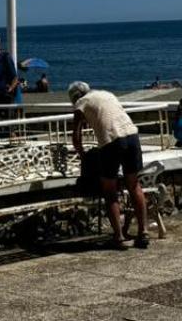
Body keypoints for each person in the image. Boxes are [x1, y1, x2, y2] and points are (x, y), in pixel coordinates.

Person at [69, 81, 150, 249]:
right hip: (132, 136)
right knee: (134, 186)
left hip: (112, 141)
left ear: (75, 97)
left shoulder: (80, 103)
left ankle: (119, 238)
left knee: (109, 191)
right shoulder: (106, 94)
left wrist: (83, 155)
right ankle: (143, 233)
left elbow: (76, 137)